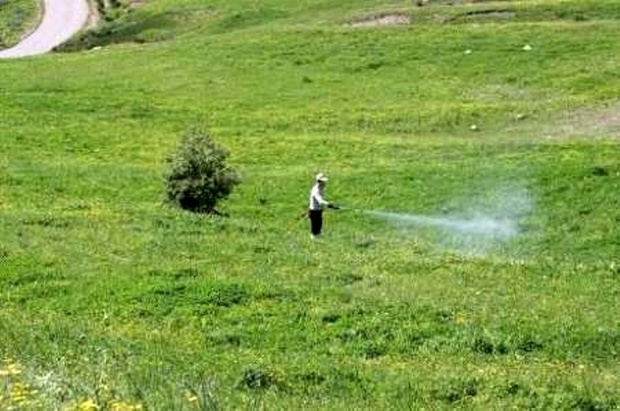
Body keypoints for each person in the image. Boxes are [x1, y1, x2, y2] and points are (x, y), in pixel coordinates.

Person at [308, 173, 339, 239]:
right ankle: (314, 239)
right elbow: (320, 201)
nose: (324, 183)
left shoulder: (321, 188)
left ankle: (318, 237)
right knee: (315, 226)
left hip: (319, 210)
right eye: (322, 181)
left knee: (319, 224)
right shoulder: (316, 191)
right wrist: (329, 204)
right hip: (314, 211)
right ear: (319, 181)